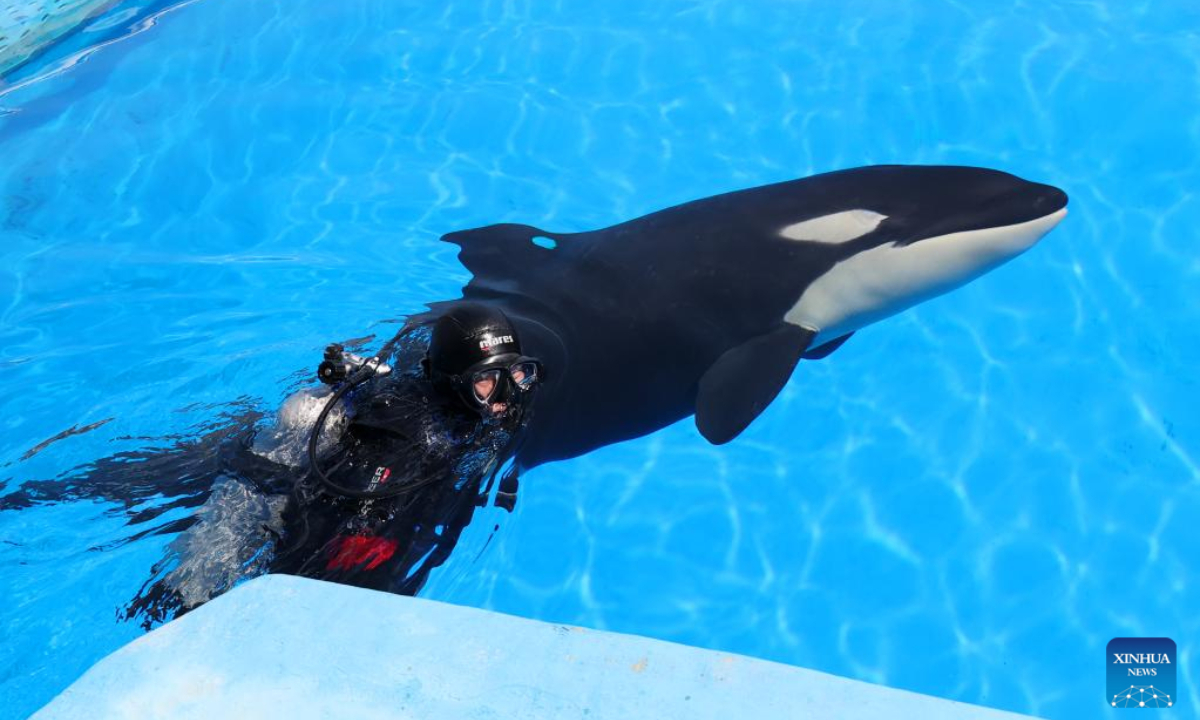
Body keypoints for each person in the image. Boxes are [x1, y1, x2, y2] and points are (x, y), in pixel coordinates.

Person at [123, 302, 543, 625]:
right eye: (486, 382)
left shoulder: (461, 408)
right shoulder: (409, 436)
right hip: (266, 483)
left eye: (518, 375)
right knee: (191, 595)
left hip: (300, 455)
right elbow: (352, 502)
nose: (506, 396)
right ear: (451, 383)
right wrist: (365, 539)